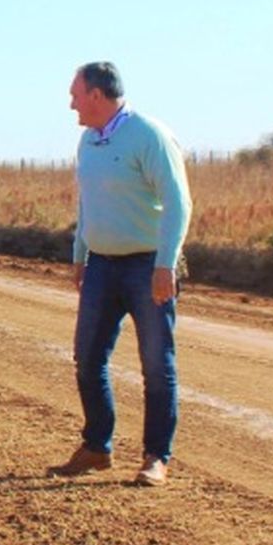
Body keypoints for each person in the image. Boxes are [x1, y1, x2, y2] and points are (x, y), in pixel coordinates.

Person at [52, 61, 192, 487]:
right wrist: (80, 253)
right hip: (102, 266)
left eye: (76, 94)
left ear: (97, 95)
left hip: (147, 266)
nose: (71, 103)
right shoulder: (88, 141)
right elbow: (86, 201)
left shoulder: (148, 135)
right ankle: (97, 446)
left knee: (156, 364)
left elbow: (178, 202)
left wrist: (165, 263)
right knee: (88, 359)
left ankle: (156, 457)